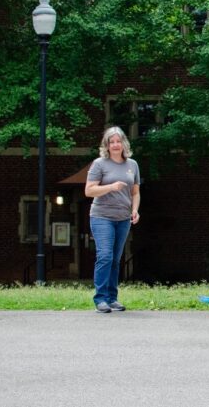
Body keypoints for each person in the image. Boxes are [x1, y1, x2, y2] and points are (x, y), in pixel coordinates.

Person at [85, 126, 140, 313]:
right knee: (105, 256)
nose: (116, 145)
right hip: (101, 216)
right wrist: (110, 187)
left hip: (123, 218)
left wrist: (135, 210)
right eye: (112, 142)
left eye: (119, 141)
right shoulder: (99, 164)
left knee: (116, 259)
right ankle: (100, 299)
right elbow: (89, 190)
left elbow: (135, 192)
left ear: (124, 143)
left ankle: (112, 298)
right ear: (107, 145)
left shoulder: (133, 165)